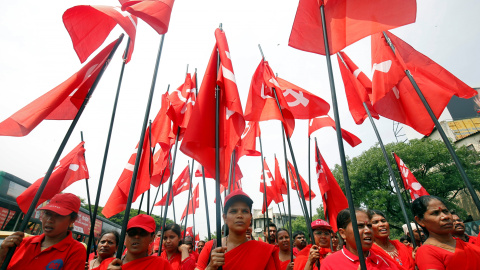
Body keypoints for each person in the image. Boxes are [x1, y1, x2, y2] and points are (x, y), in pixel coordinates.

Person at [195, 189, 280, 270]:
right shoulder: (211, 246)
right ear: (225, 218)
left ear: (250, 217)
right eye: (234, 211)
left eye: (245, 211)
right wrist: (210, 268)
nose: (240, 215)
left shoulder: (264, 252)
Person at [0, 193, 86, 270]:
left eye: (59, 215)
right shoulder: (22, 242)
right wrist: (2, 253)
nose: (50, 220)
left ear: (72, 220)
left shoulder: (76, 250)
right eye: (47, 213)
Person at [412, 195, 480, 270]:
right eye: (435, 213)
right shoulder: (426, 252)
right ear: (420, 220)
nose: (445, 217)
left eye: (446, 211)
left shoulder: (466, 245)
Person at [320, 208, 397, 269]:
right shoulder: (330, 263)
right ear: (343, 233)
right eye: (360, 226)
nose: (368, 230)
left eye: (369, 226)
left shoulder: (385, 262)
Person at [100, 214, 172, 269]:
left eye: (143, 233)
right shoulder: (107, 264)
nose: (136, 237)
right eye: (132, 233)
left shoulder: (161, 265)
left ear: (152, 238)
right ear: (125, 237)